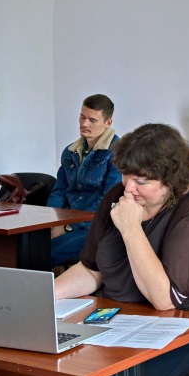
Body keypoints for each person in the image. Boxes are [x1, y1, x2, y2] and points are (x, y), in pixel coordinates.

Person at [54, 124, 189, 376]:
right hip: (123, 317)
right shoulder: (118, 197)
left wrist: (130, 228)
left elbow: (165, 299)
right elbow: (92, 269)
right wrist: (46, 295)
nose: (128, 187)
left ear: (172, 180)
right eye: (126, 175)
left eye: (142, 180)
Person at [47, 94, 122, 267]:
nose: (84, 124)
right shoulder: (69, 152)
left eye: (92, 120)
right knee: (23, 244)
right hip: (65, 221)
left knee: (44, 253)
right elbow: (59, 191)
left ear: (108, 122)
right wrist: (50, 221)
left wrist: (68, 227)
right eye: (82, 117)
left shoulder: (117, 153)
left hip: (97, 226)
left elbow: (108, 200)